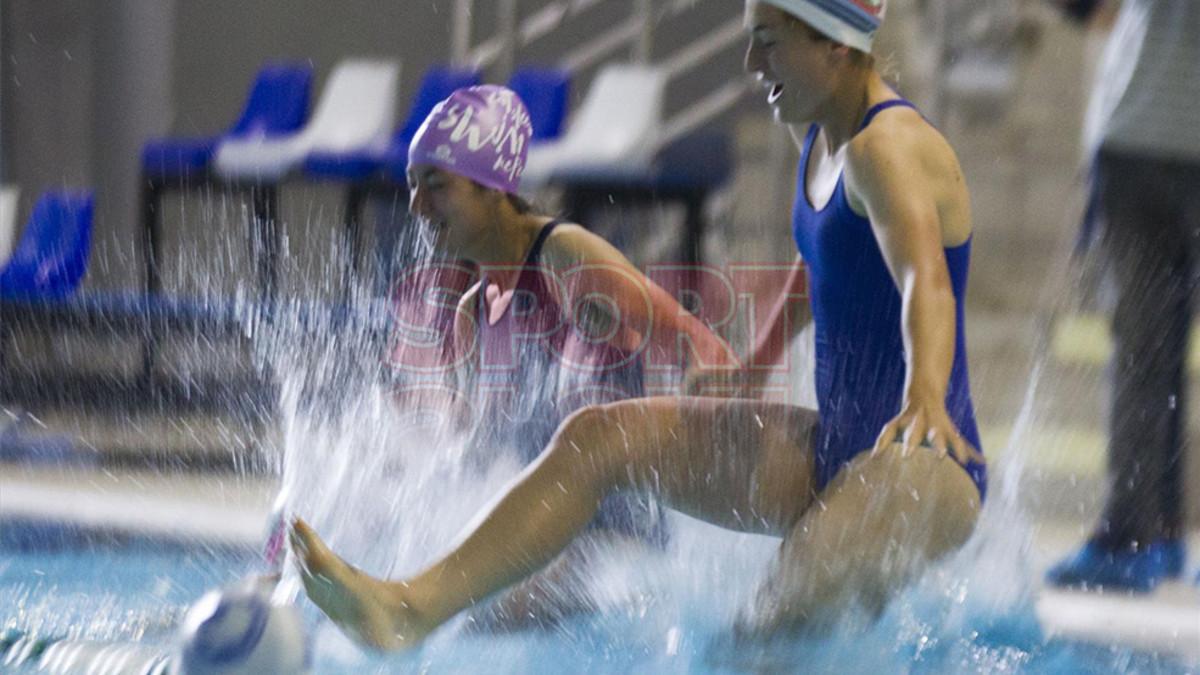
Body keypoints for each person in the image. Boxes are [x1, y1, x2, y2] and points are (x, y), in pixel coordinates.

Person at [288, 0, 988, 651]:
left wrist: (926, 390)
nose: (751, 65)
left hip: (925, 462)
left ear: (833, 44)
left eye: (768, 43)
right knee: (598, 437)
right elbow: (824, 267)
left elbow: (923, 274)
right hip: (838, 448)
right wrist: (755, 361)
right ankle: (408, 610)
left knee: (761, 635)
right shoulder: (825, 148)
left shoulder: (885, 147)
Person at [351, 84, 737, 627]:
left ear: (492, 187)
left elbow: (704, 349)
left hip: (621, 547)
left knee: (481, 613)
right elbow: (484, 454)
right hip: (544, 538)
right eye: (413, 187)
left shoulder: (566, 256)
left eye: (436, 185)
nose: (416, 206)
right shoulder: (473, 309)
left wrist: (701, 440)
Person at [1044, 0, 1200, 592]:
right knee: (1139, 352)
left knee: (1144, 354)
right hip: (1132, 136)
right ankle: (1136, 537)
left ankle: (1146, 536)